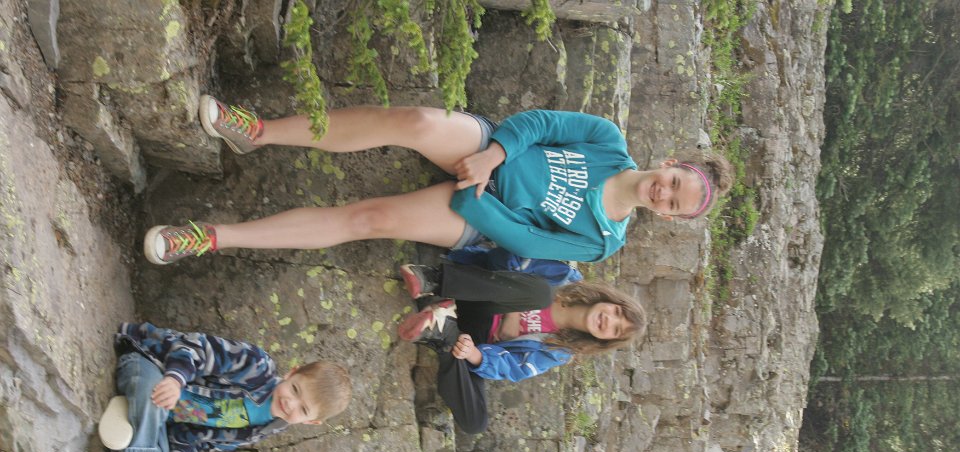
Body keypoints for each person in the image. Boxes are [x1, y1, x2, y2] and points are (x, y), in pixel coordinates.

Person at [143, 96, 734, 266]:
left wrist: (474, 195)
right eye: (673, 180)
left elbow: (527, 241)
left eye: (673, 203)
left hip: (479, 211)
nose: (663, 192)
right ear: (670, 163)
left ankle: (210, 237)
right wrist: (493, 155)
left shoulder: (603, 242)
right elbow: (541, 124)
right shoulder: (607, 140)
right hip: (493, 151)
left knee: (369, 219)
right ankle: (258, 131)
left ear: (669, 216)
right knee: (417, 122)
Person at [97, 322, 352, 452]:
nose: (290, 403)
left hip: (162, 421)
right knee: (151, 394)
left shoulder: (267, 427)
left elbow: (206, 440)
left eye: (303, 409)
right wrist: (176, 379)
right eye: (295, 389)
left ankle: (131, 426)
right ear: (292, 373)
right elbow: (197, 348)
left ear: (310, 422)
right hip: (152, 366)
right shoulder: (256, 365)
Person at [394, 247, 647, 434]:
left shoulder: (560, 351)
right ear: (609, 300)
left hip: (472, 338)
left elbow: (515, 368)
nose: (609, 320)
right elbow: (510, 256)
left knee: (475, 421)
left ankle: (444, 334)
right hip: (475, 293)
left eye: (615, 330)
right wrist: (513, 311)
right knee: (541, 292)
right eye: (616, 312)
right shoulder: (564, 278)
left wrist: (473, 354)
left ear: (605, 340)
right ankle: (433, 281)